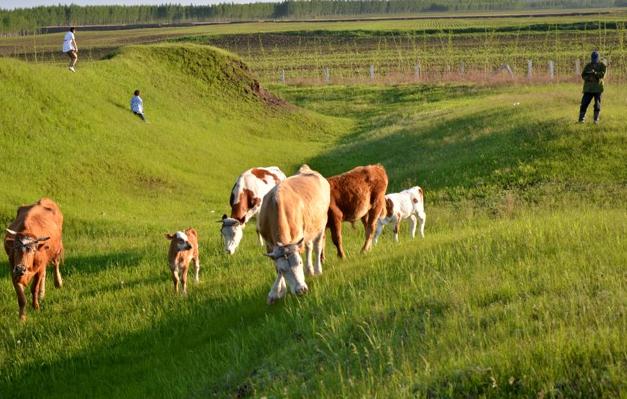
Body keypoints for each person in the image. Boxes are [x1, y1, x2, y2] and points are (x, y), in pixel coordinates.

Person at [579, 51, 607, 124]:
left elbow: (602, 75)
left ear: (598, 58)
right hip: (588, 89)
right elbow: (583, 75)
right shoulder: (588, 65)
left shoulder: (602, 65)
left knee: (597, 105)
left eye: (595, 58)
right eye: (593, 58)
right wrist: (588, 78)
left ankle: (596, 120)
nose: (594, 60)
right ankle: (581, 120)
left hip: (598, 88)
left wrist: (595, 73)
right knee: (584, 103)